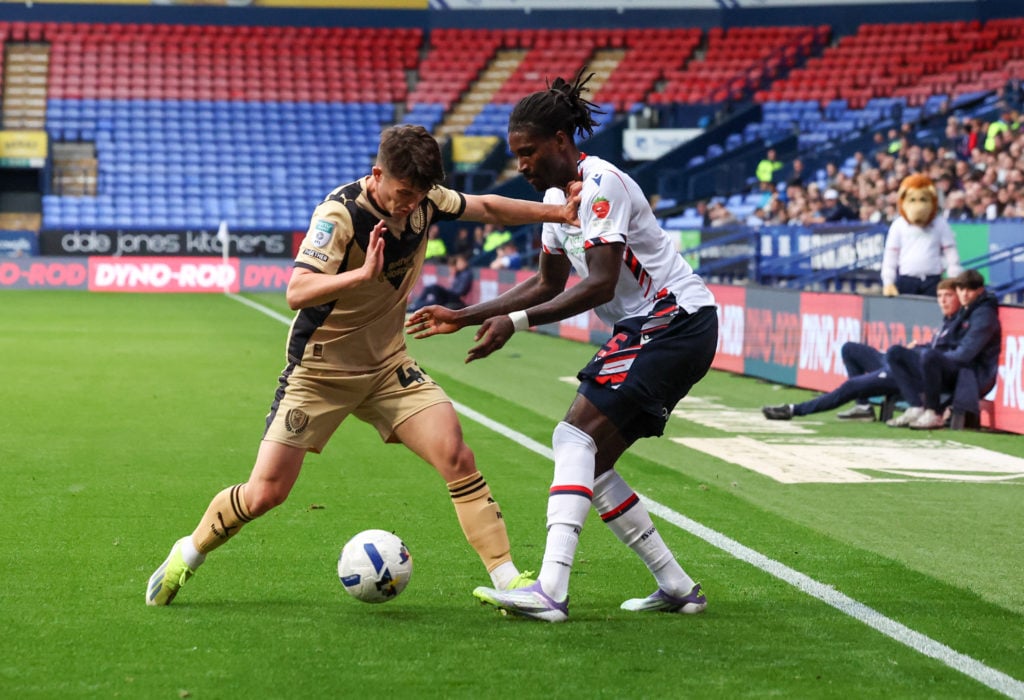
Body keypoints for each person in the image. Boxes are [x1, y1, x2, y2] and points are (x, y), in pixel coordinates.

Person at [146, 124, 582, 606]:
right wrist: (362, 274)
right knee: (265, 493)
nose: (410, 205)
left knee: (456, 455)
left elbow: (485, 207)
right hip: (320, 373)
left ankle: (508, 582)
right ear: (378, 175)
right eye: (402, 194)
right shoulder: (339, 214)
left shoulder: (426, 197)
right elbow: (296, 292)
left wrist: (558, 211)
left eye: (419, 196)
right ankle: (188, 551)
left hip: (387, 367)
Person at [407, 71, 718, 622]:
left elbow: (598, 282)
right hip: (656, 326)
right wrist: (465, 314)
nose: (521, 165)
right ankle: (675, 584)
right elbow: (547, 281)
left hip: (675, 319)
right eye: (515, 155)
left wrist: (516, 322)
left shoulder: (600, 185)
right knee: (589, 463)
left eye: (528, 153)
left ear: (560, 141)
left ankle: (550, 590)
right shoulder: (559, 199)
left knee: (572, 436)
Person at [762, 279, 962, 421]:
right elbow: (935, 348)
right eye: (940, 296)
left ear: (959, 297)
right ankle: (863, 407)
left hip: (905, 374)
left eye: (948, 296)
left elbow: (943, 359)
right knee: (850, 349)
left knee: (850, 386)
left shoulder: (960, 326)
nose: (943, 300)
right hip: (898, 363)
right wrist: (918, 347)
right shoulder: (947, 322)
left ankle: (793, 410)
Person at [886, 269, 1002, 430]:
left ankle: (933, 412)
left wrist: (932, 357)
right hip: (953, 367)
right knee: (896, 353)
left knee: (930, 357)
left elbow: (965, 354)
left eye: (970, 290)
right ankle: (916, 406)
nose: (965, 294)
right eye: (961, 289)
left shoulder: (984, 315)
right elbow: (944, 344)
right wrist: (920, 351)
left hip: (972, 374)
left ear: (980, 291)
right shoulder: (965, 310)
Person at [881, 174, 962, 297]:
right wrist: (888, 281)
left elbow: (950, 252)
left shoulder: (940, 224)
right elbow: (890, 256)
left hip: (933, 279)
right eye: (912, 200)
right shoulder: (898, 225)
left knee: (933, 314)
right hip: (907, 279)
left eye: (923, 199)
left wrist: (954, 277)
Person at [407, 253, 473, 312]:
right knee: (433, 302)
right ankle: (414, 307)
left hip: (455, 297)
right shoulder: (459, 273)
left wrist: (447, 290)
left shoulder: (466, 274)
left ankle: (415, 305)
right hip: (451, 296)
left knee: (434, 287)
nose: (460, 264)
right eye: (459, 262)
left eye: (461, 262)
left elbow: (459, 291)